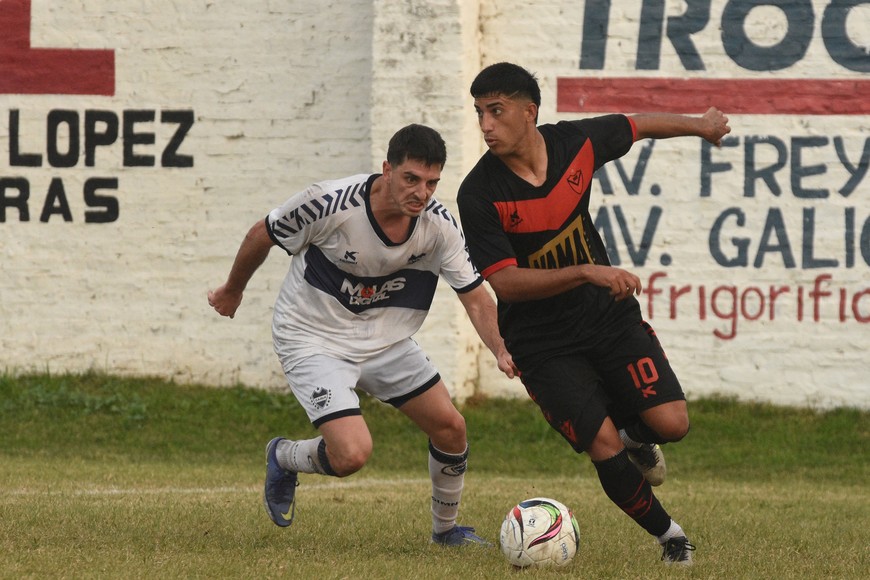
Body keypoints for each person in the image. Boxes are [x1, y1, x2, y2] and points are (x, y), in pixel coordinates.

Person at [456, 62, 731, 566]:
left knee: (671, 422)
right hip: (540, 342)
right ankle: (672, 538)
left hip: (606, 318)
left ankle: (635, 438)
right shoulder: (479, 193)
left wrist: (701, 125)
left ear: (528, 111)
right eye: (479, 114)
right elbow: (506, 282)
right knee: (600, 441)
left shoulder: (575, 144)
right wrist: (586, 270)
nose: (486, 125)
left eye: (496, 111)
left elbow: (636, 125)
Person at [208, 123, 517, 546]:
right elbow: (261, 233)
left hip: (384, 340)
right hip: (311, 337)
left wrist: (500, 349)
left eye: (431, 183)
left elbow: (476, 297)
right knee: (352, 455)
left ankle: (445, 532)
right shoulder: (329, 202)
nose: (421, 193)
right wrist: (232, 290)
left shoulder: (439, 226)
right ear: (387, 169)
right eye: (411, 178)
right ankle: (284, 455)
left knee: (451, 428)